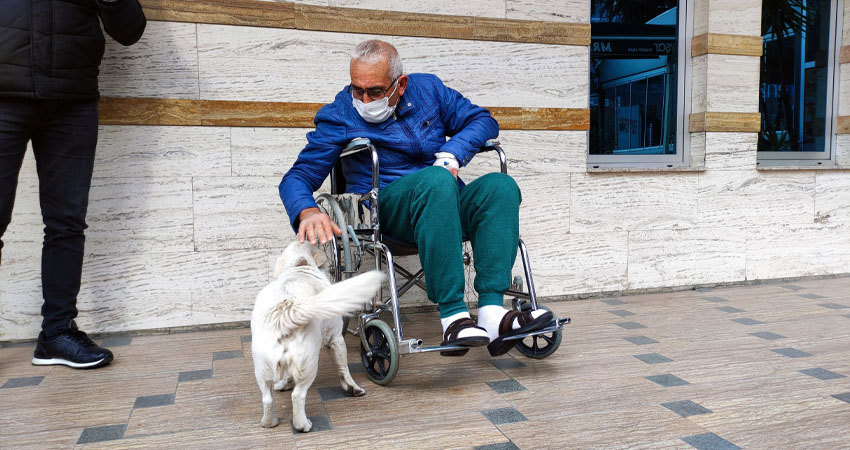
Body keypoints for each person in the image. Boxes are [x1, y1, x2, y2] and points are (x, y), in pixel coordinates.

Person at [279, 40, 552, 357]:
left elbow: (483, 120)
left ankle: (492, 314)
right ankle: (454, 316)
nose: (364, 100)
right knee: (436, 181)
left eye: (376, 92)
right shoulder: (340, 114)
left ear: (401, 84)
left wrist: (453, 153)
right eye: (357, 89)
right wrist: (308, 210)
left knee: (500, 187)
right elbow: (297, 177)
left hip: (445, 200)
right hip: (388, 208)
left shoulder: (429, 91)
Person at [0, 0, 147, 369]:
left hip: (72, 99)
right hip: (3, 92)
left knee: (67, 223)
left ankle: (57, 334)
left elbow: (130, 31)